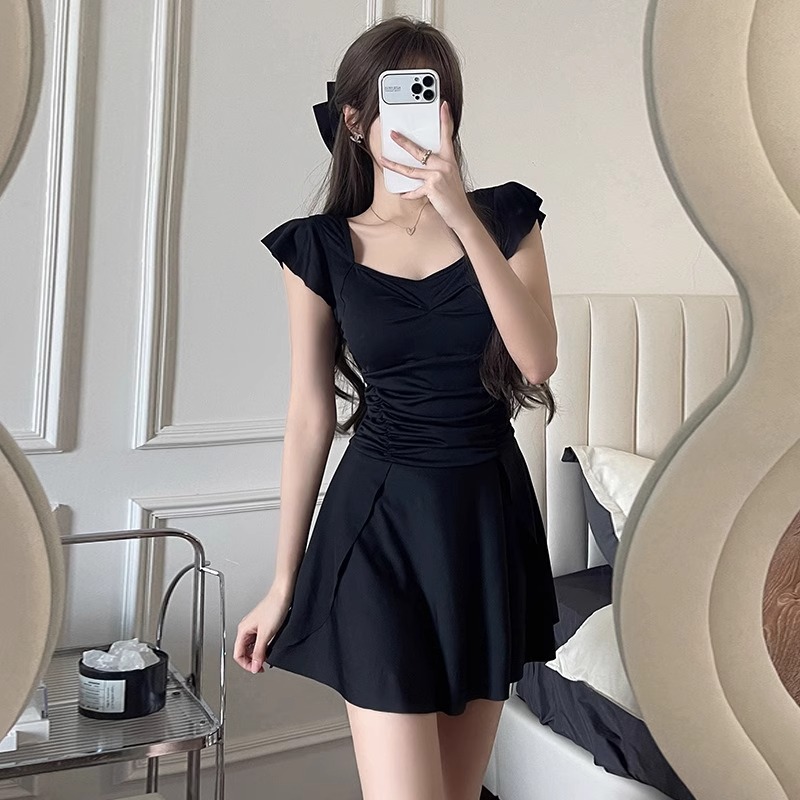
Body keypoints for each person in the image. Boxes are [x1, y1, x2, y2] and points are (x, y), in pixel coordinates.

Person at [234, 15, 560, 800]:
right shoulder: (318, 247)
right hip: (376, 531)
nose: (424, 116)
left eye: (436, 98)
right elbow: (309, 415)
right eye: (403, 99)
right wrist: (282, 581)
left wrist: (460, 217)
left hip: (484, 526)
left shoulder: (506, 218)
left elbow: (537, 360)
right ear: (355, 119)